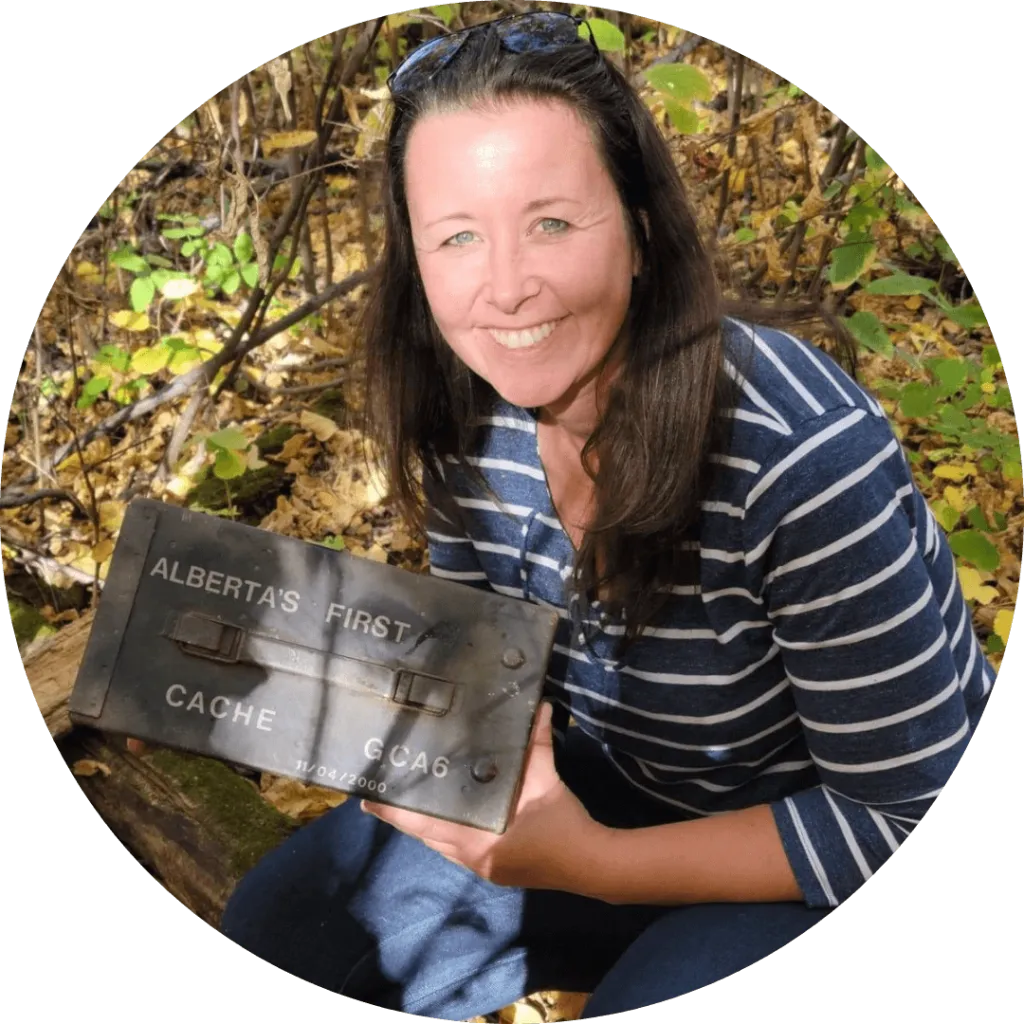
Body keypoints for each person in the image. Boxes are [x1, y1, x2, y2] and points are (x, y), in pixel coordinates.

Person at [219, 11, 994, 1017]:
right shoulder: (466, 408)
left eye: (550, 221)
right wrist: (237, 690)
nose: (504, 289)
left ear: (638, 227)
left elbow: (902, 812)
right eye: (456, 236)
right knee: (286, 926)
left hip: (810, 841)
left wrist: (599, 865)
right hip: (606, 785)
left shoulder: (800, 458)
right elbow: (485, 666)